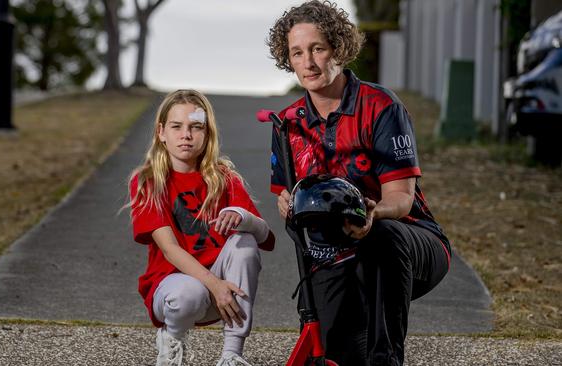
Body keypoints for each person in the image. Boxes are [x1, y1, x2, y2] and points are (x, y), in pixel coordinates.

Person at [266, 1, 451, 365]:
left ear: (338, 47)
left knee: (382, 235)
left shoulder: (380, 106)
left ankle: (387, 360)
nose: (309, 62)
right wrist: (287, 203)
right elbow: (288, 195)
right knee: (335, 352)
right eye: (297, 53)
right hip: (335, 255)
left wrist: (372, 213)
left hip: (409, 243)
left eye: (318, 48)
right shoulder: (287, 123)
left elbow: (400, 198)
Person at [129, 89, 275, 366]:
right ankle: (171, 338)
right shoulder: (148, 181)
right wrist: (214, 285)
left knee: (244, 242)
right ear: (161, 132)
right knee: (188, 293)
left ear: (207, 134)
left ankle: (232, 354)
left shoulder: (225, 178)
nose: (186, 134)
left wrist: (243, 216)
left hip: (222, 292)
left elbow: (266, 237)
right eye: (177, 126)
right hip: (174, 291)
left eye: (196, 127)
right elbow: (170, 249)